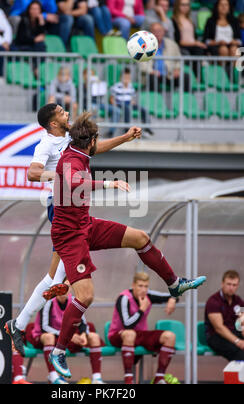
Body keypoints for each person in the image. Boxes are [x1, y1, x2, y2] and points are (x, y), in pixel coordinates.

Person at [48, 112, 206, 379]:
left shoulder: (80, 148)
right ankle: (58, 350)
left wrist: (126, 137)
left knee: (140, 237)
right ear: (90, 141)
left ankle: (173, 282)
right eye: (96, 142)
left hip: (86, 225)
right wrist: (109, 182)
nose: (97, 146)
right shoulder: (70, 160)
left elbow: (100, 147)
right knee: (85, 296)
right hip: (69, 237)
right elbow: (74, 181)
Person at [5, 103, 144, 357]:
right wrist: (60, 176)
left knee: (53, 277)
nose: (67, 113)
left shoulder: (68, 137)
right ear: (53, 123)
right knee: (57, 275)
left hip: (74, 208)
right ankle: (47, 297)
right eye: (61, 112)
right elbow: (32, 173)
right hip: (61, 209)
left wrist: (126, 136)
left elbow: (94, 148)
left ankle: (21, 322)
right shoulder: (46, 143)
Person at [25, 281, 105, 384]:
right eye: (61, 287)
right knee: (49, 337)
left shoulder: (74, 301)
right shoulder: (48, 301)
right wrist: (69, 336)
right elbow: (44, 327)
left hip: (65, 338)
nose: (63, 291)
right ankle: (53, 377)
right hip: (47, 336)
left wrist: (84, 335)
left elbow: (82, 323)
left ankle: (96, 378)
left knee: (94, 337)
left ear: (70, 288)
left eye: (66, 287)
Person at [109, 272, 177, 384]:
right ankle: (128, 380)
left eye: (146, 286)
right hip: (119, 335)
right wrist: (142, 309)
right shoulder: (124, 298)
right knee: (130, 333)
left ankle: (159, 378)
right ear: (133, 285)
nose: (144, 289)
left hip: (139, 335)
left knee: (170, 336)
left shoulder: (148, 295)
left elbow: (172, 294)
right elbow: (127, 324)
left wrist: (173, 300)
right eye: (140, 286)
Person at [205, 270, 244, 361]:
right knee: (240, 353)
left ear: (237, 286)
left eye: (234, 285)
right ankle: (238, 375)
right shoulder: (213, 301)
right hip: (216, 336)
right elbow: (219, 328)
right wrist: (238, 341)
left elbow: (242, 321)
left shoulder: (238, 301)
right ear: (222, 284)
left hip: (234, 333)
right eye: (228, 284)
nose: (231, 287)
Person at [140, 22, 191, 92]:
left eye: (159, 31)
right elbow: (142, 65)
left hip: (169, 75)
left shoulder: (172, 44)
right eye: (155, 31)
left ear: (164, 32)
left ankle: (185, 100)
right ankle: (157, 101)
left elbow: (179, 59)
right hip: (153, 75)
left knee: (185, 77)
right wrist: (151, 71)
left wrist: (177, 69)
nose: (157, 33)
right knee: (152, 78)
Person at [110, 67, 153, 136]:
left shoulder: (131, 86)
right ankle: (127, 129)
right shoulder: (116, 86)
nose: (127, 79)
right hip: (120, 103)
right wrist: (114, 104)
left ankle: (147, 127)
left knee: (143, 108)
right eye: (125, 77)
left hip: (129, 103)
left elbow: (132, 98)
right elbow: (111, 99)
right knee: (127, 108)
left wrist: (133, 102)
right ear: (121, 77)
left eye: (128, 77)